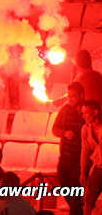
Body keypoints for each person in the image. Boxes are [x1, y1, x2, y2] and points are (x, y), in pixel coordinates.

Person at [53, 82, 85, 215]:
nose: (70, 99)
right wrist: (64, 132)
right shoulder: (65, 110)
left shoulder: (87, 110)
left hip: (79, 160)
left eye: (73, 96)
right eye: (68, 96)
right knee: (65, 188)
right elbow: (55, 129)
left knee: (75, 192)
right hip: (65, 158)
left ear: (81, 96)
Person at [81, 100, 102, 215]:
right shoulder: (86, 129)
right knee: (88, 199)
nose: (83, 116)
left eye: (86, 113)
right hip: (98, 168)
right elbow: (85, 151)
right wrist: (83, 172)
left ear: (95, 112)